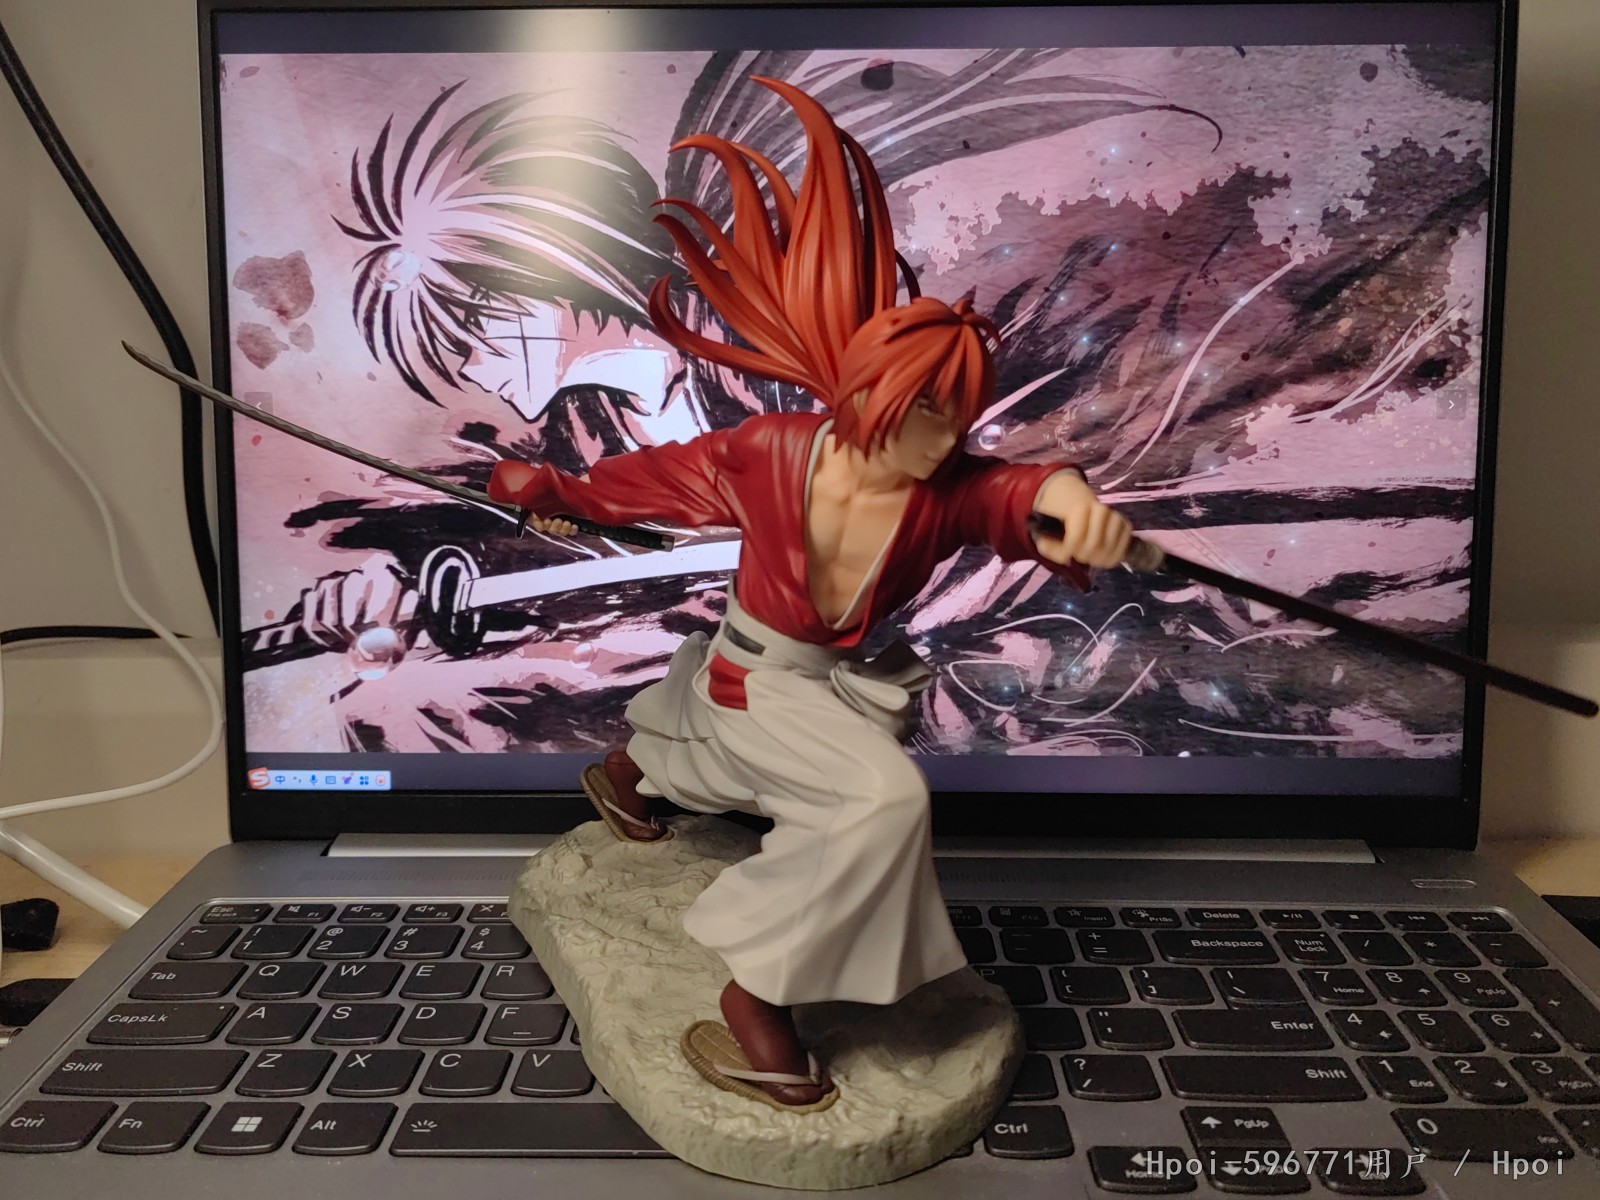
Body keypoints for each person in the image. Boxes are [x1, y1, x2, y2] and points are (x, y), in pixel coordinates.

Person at [487, 77, 1131, 1112]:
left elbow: (1017, 491)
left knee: (755, 769)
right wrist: (553, 491)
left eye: (958, 412)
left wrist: (1071, 501)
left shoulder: (947, 489)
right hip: (754, 676)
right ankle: (756, 1004)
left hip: (821, 679)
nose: (946, 435)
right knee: (877, 800)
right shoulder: (771, 452)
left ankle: (626, 780)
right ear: (870, 391)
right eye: (926, 409)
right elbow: (651, 482)